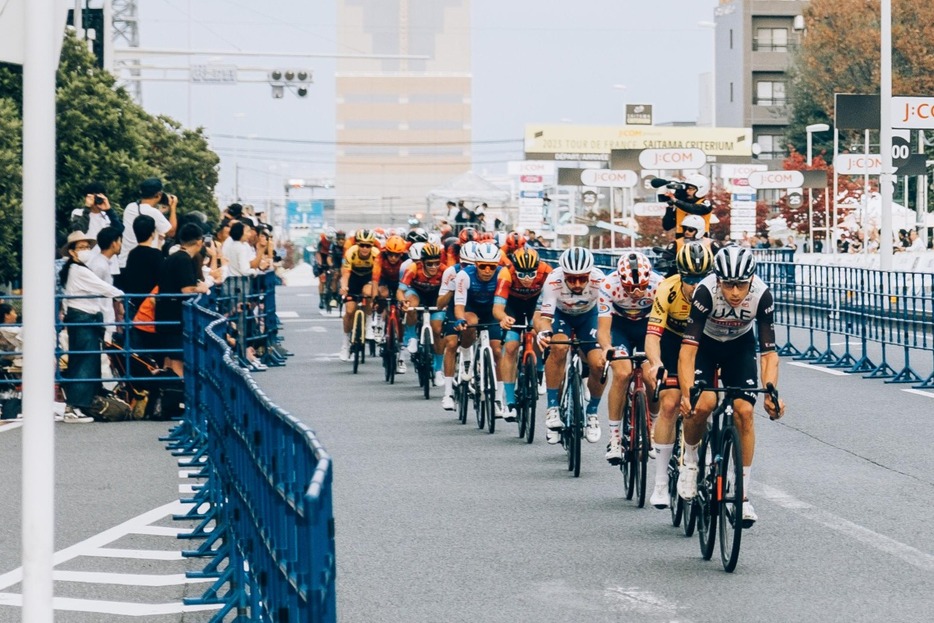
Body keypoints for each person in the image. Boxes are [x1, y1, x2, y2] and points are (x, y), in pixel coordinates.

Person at [677, 246, 786, 526]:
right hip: (706, 347)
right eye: (728, 284)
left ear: (751, 279)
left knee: (744, 412)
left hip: (740, 347)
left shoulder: (762, 295)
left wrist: (771, 392)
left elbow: (768, 353)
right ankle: (689, 462)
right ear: (718, 279)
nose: (735, 292)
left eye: (741, 285)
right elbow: (687, 351)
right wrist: (688, 391)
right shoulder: (704, 292)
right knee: (703, 405)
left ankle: (742, 495)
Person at [643, 242, 713, 508]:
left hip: (705, 345)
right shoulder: (667, 288)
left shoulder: (717, 292)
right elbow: (652, 335)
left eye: (702, 278)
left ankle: (703, 450)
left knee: (707, 402)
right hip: (673, 344)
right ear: (680, 275)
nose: (695, 286)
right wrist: (656, 362)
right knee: (670, 404)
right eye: (690, 279)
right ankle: (661, 483)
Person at [537, 247, 607, 444]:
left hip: (589, 317)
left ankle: (592, 412)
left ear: (590, 274)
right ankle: (552, 409)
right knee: (558, 347)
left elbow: (607, 317)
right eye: (571, 278)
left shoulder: (600, 280)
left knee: (600, 364)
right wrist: (544, 332)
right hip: (562, 316)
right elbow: (545, 318)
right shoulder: (553, 280)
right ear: (563, 274)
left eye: (582, 278)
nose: (577, 284)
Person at [596, 252, 662, 464]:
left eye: (642, 287)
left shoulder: (659, 284)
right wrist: (606, 346)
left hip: (647, 329)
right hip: (620, 329)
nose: (636, 292)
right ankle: (614, 438)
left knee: (652, 376)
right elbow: (604, 329)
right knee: (623, 373)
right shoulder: (608, 285)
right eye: (630, 287)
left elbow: (663, 325)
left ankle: (651, 427)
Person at [60, 230, 124, 423]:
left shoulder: (75, 269)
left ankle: (79, 404)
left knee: (83, 361)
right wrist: (120, 294)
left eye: (87, 246)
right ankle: (74, 406)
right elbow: (102, 286)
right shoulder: (78, 270)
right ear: (72, 252)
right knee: (84, 362)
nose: (86, 250)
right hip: (83, 318)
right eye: (81, 247)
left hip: (82, 318)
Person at [492, 246, 551, 422]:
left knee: (538, 333)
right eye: (522, 274)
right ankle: (510, 402)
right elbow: (497, 308)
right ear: (515, 269)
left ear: (537, 269)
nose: (526, 279)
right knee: (510, 346)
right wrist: (503, 318)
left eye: (531, 274)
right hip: (513, 306)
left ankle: (539, 370)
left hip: (536, 305)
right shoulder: (506, 273)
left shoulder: (547, 271)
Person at [452, 241, 511, 417]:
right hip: (471, 309)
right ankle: (467, 355)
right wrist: (460, 319)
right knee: (469, 322)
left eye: (491, 267)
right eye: (483, 266)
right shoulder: (464, 275)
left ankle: (499, 398)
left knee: (498, 351)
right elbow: (459, 305)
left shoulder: (502, 274)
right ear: (476, 264)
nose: (487, 270)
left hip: (493, 311)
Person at [155, 223, 211, 377]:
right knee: (177, 362)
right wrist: (202, 288)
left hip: (164, 315)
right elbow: (186, 290)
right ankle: (182, 396)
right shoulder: (184, 260)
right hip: (175, 317)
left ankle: (168, 395)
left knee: (169, 360)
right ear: (199, 241)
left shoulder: (172, 258)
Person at [400, 242, 446, 386]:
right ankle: (412, 336)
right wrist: (403, 302)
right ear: (422, 262)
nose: (433, 267)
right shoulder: (413, 268)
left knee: (437, 329)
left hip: (435, 296)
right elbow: (400, 290)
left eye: (436, 263)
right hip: (416, 293)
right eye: (430, 264)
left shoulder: (444, 271)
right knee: (411, 304)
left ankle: (438, 370)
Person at [339, 229, 381, 361]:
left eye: (368, 245)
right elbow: (345, 274)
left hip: (369, 278)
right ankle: (345, 344)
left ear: (372, 246)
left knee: (368, 293)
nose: (364, 248)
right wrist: (344, 287)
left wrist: (376, 295)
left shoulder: (376, 254)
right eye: (362, 245)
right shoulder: (351, 253)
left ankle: (368, 324)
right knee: (350, 311)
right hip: (353, 279)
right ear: (357, 244)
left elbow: (376, 278)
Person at [118, 178, 177, 268]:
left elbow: (145, 213)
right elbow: (171, 232)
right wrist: (173, 208)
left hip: (124, 262)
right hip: (143, 264)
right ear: (159, 194)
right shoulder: (154, 213)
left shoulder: (130, 207)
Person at [662, 174, 712, 239]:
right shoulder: (680, 206)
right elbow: (667, 226)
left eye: (691, 189)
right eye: (687, 189)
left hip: (701, 240)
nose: (687, 191)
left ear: (700, 189)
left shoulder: (705, 203)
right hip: (681, 241)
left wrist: (676, 201)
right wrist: (670, 207)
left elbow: (695, 209)